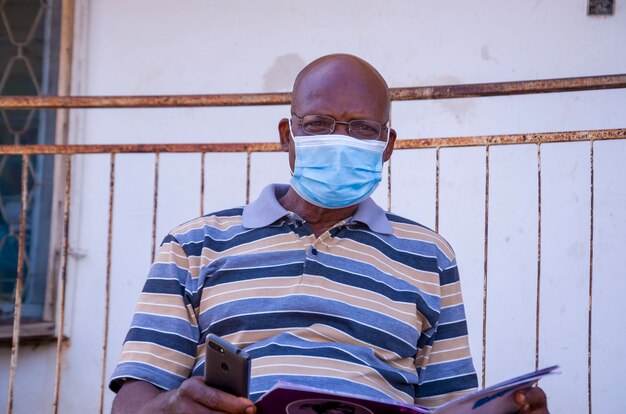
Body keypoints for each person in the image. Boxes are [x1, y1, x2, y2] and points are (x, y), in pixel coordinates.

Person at [110, 54, 548, 414]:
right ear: (288, 135)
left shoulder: (428, 256)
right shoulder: (194, 245)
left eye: (362, 129)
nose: (341, 141)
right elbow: (132, 402)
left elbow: (448, 404)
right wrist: (173, 406)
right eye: (320, 123)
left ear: (388, 145)